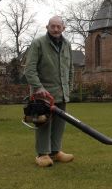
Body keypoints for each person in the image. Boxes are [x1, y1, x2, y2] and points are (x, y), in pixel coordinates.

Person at [24, 15, 74, 167]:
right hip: (43, 95)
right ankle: (43, 155)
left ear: (63, 28)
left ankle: (55, 151)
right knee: (44, 124)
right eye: (52, 26)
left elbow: (70, 68)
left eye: (59, 26)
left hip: (62, 93)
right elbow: (29, 69)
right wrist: (38, 88)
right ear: (47, 27)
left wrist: (69, 87)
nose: (56, 29)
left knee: (59, 125)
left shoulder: (67, 44)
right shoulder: (38, 44)